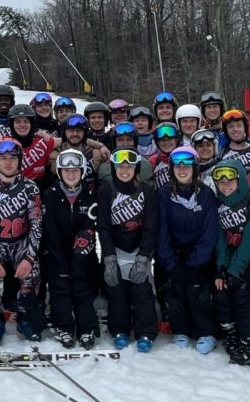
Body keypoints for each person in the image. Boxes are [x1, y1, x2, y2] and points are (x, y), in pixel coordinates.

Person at [0, 138, 46, 344]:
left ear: (20, 160)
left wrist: (29, 257)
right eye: (3, 158)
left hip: (20, 242)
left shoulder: (30, 188)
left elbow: (36, 225)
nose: (8, 162)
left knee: (33, 275)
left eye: (13, 158)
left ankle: (24, 319)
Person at [157, 146, 219, 354]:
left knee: (196, 290)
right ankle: (180, 329)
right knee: (174, 290)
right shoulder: (164, 194)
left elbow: (210, 231)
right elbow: (161, 229)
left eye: (187, 165)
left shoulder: (206, 194)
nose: (182, 170)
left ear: (195, 168)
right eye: (177, 166)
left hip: (199, 259)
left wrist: (196, 262)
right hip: (174, 256)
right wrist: (170, 262)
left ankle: (205, 331)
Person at [97, 147, 158, 353]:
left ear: (136, 168)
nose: (124, 170)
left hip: (139, 249)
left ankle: (146, 332)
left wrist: (144, 256)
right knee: (116, 291)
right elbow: (103, 227)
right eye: (120, 166)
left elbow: (151, 226)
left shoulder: (147, 191)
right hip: (115, 249)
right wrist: (108, 258)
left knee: (142, 291)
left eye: (129, 166)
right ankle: (119, 330)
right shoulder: (106, 189)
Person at [43, 149, 100, 350]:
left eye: (75, 170)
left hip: (82, 256)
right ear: (59, 172)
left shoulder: (91, 196)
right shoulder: (50, 195)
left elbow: (88, 230)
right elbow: (49, 231)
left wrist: (78, 260)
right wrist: (59, 261)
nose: (70, 174)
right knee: (60, 289)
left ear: (82, 171)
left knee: (81, 288)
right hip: (57, 254)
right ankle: (64, 326)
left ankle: (87, 328)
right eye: (66, 170)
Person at [212, 159, 250, 366]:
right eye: (221, 181)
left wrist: (236, 270)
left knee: (243, 295)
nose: (226, 185)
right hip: (228, 261)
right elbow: (219, 240)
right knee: (221, 292)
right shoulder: (217, 205)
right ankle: (231, 333)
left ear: (240, 179)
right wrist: (222, 269)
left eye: (230, 180)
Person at [49, 114, 101, 193]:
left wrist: (100, 146)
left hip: (89, 199)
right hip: (62, 199)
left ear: (85, 133)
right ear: (64, 133)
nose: (75, 134)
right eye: (71, 130)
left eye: (79, 130)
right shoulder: (56, 154)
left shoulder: (94, 154)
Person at [219, 109, 250, 189]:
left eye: (239, 125)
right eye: (231, 127)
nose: (235, 129)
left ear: (245, 128)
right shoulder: (220, 153)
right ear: (226, 131)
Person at [149, 122, 179, 191]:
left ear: (176, 139)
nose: (166, 143)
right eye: (162, 140)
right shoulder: (153, 160)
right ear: (157, 143)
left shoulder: (185, 156)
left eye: (170, 139)